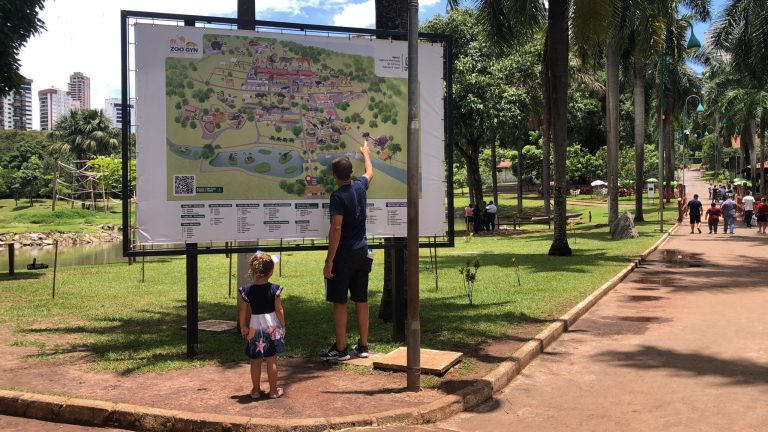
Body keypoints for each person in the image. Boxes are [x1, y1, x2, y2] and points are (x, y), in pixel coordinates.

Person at [321, 141, 374, 361]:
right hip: (362, 252)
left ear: (334, 175)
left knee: (340, 301)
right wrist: (366, 154)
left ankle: (341, 349)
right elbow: (370, 172)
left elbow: (336, 228)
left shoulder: (337, 197)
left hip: (343, 255)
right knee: (361, 299)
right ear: (351, 173)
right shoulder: (360, 186)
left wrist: (329, 260)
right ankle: (363, 346)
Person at [238, 253, 286, 400]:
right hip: (271, 325)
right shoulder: (275, 289)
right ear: (271, 271)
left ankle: (256, 390)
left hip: (254, 326)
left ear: (253, 270)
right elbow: (279, 309)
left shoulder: (247, 290)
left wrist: (243, 326)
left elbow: (243, 310)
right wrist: (283, 325)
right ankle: (273, 390)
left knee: (255, 360)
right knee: (272, 359)